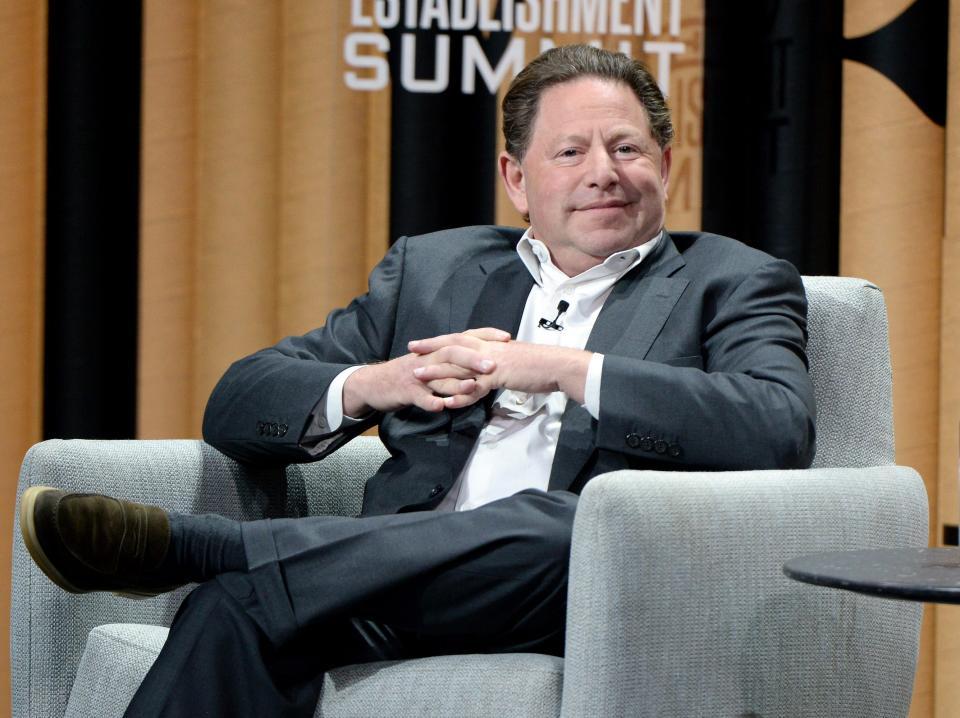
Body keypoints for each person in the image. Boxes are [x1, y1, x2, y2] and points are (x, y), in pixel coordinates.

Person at [20, 44, 816, 717]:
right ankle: (244, 566)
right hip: (399, 589)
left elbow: (776, 423)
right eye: (570, 152)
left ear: (667, 165)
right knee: (238, 608)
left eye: (627, 148)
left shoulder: (734, 280)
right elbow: (238, 400)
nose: (603, 173)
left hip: (574, 592)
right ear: (516, 178)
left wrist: (567, 370)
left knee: (569, 519)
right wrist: (375, 384)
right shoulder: (434, 271)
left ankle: (217, 547)